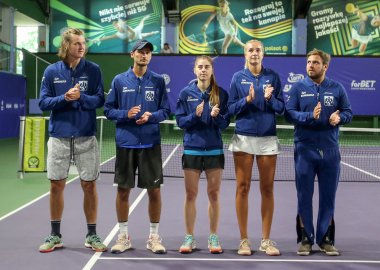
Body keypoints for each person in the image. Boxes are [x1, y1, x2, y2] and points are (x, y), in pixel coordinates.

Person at [38, 28, 106, 253]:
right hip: (59, 137)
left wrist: (81, 97)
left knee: (89, 185)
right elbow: (43, 102)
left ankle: (92, 234)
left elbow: (99, 99)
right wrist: (64, 98)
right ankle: (55, 234)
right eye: (77, 43)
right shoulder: (51, 71)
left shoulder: (93, 70)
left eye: (83, 43)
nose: (81, 46)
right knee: (56, 185)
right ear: (66, 46)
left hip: (86, 136)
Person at [104, 39, 170, 254]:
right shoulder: (119, 80)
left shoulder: (158, 81)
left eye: (148, 52)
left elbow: (165, 110)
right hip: (126, 143)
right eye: (141, 52)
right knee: (123, 190)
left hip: (150, 142)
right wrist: (126, 114)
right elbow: (108, 110)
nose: (145, 55)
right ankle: (123, 237)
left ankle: (154, 237)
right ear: (132, 54)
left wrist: (152, 116)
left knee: (154, 190)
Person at [285, 49, 353, 256]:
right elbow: (289, 114)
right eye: (308, 62)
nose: (310, 65)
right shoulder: (298, 88)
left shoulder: (337, 88)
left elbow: (348, 112)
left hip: (330, 152)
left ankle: (326, 239)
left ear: (325, 66)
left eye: (315, 62)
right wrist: (308, 116)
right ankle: (306, 239)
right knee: (304, 196)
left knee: (328, 197)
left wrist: (339, 118)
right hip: (304, 150)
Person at [228, 39, 284, 256]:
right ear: (245, 54)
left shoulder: (273, 77)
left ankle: (266, 240)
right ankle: (244, 240)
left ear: (263, 54)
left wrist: (270, 99)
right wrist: (247, 100)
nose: (254, 53)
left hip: (268, 139)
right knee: (242, 188)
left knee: (267, 189)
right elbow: (231, 108)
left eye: (258, 50)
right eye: (250, 50)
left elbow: (281, 108)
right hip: (243, 138)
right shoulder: (237, 78)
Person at [175, 56, 230, 254]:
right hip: (192, 149)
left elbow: (225, 124)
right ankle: (189, 237)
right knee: (191, 195)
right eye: (200, 67)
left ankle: (213, 237)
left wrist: (217, 117)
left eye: (207, 67)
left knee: (213, 194)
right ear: (195, 71)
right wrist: (194, 115)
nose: (203, 70)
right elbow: (180, 122)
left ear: (212, 70)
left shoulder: (221, 94)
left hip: (214, 149)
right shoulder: (185, 93)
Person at [92, 16, 159, 45]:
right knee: (147, 34)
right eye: (114, 25)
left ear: (119, 24)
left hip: (136, 32)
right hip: (134, 37)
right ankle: (153, 32)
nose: (116, 26)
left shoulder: (125, 27)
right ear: (114, 27)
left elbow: (133, 32)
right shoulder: (117, 34)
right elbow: (107, 37)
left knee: (141, 23)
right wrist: (98, 39)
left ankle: (144, 18)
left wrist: (131, 38)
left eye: (116, 24)